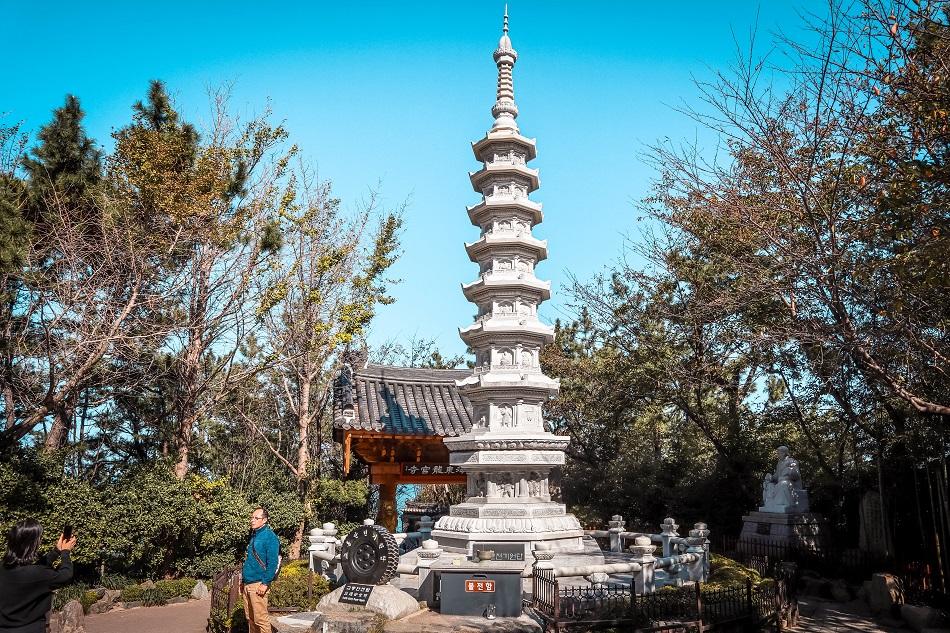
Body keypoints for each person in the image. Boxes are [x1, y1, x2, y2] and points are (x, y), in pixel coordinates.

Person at [0, 519, 76, 633]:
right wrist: (65, 552)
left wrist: (56, 551)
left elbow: (36, 569)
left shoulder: (4, 568)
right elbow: (66, 575)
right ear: (32, 544)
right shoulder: (38, 574)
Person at [241, 507, 279, 633]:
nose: (252, 520)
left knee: (261, 620)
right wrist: (243, 582)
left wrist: (265, 583)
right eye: (251, 517)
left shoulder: (270, 537)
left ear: (264, 520)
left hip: (258, 584)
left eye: (256, 518)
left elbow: (272, 563)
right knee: (251, 619)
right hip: (248, 583)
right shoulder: (255, 536)